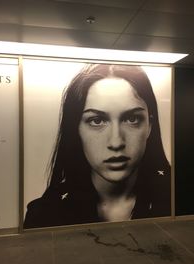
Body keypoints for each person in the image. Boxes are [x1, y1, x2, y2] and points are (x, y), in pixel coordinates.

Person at [24, 63, 171, 229]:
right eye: (97, 121)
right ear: (76, 129)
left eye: (132, 119)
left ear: (149, 125)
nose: (116, 142)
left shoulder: (180, 198)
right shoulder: (44, 215)